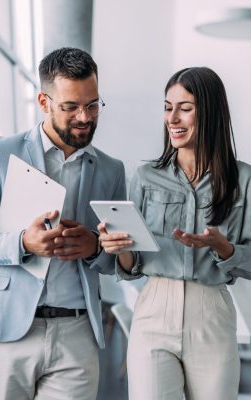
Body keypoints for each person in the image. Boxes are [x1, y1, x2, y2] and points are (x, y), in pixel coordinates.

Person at [0, 47, 126, 400]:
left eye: (92, 104)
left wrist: (95, 247)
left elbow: (117, 256)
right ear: (44, 102)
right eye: (70, 107)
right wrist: (23, 242)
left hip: (77, 332)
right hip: (7, 329)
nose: (84, 117)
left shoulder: (111, 169)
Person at [98, 66, 251, 400]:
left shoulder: (243, 180)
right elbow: (131, 265)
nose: (173, 118)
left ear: (210, 112)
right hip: (153, 308)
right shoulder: (145, 176)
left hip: (212, 312)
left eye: (185, 108)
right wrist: (119, 247)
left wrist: (224, 248)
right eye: (168, 107)